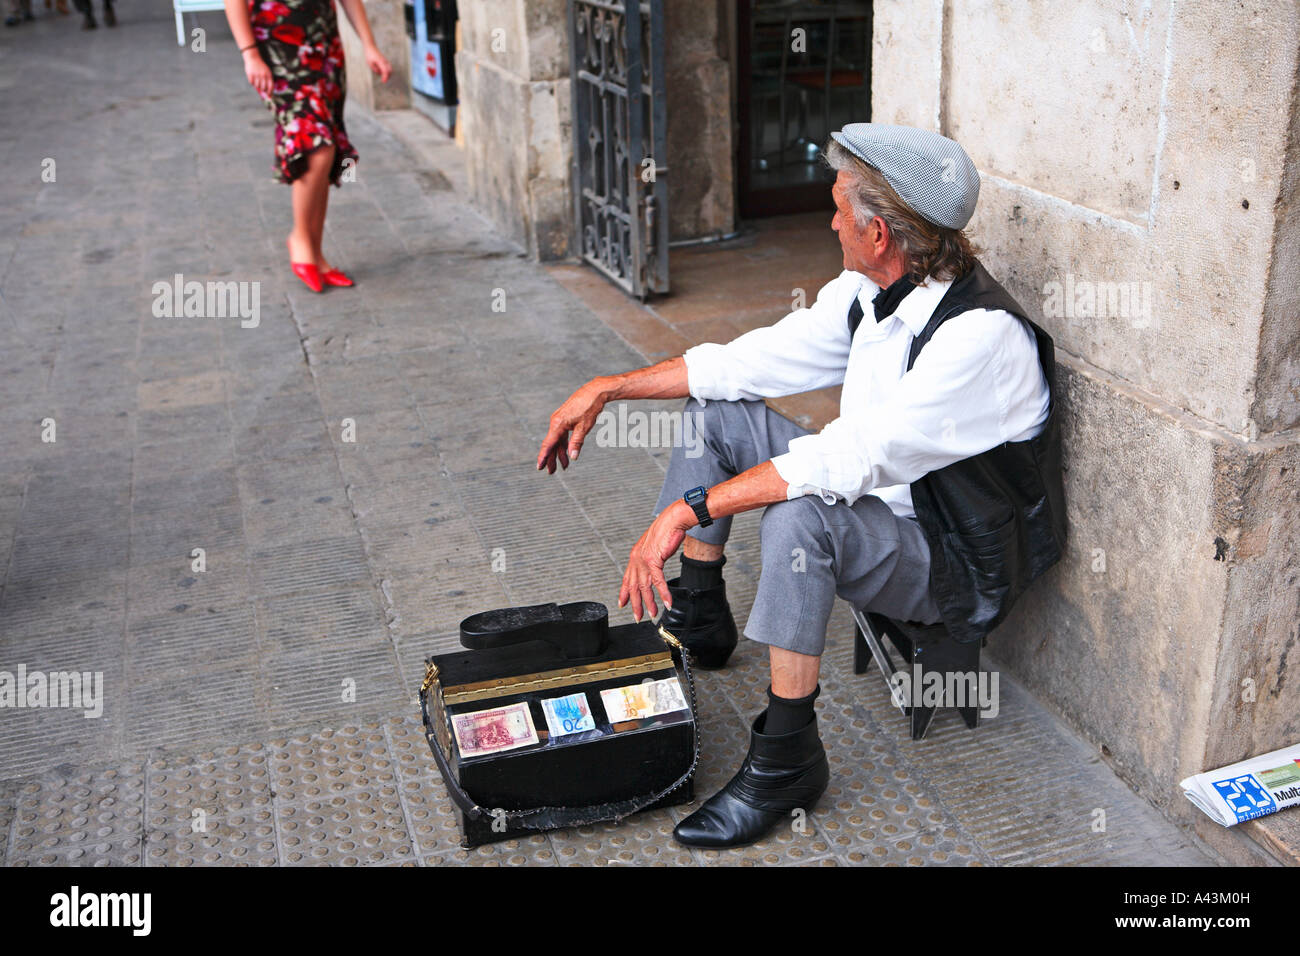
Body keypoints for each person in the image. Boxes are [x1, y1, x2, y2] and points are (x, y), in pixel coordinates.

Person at [537, 122, 1066, 849]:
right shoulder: (867, 288)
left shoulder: (979, 338)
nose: (829, 221)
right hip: (879, 507)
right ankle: (700, 615)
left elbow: (848, 458)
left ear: (877, 232)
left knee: (803, 513)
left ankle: (788, 758)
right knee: (717, 414)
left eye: (838, 209)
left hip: (946, 558)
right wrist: (610, 387)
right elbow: (750, 363)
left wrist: (690, 512)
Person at [223, 0, 391, 292]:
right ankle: (300, 238)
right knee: (316, 147)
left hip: (323, 43)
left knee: (326, 152)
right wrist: (249, 54)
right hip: (276, 48)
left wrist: (369, 44)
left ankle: (316, 254)